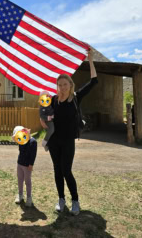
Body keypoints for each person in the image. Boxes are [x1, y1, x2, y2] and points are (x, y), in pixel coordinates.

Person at [40, 49, 98, 215]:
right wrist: (42, 121)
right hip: (54, 141)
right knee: (57, 170)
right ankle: (61, 199)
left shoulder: (76, 97)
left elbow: (94, 81)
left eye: (65, 84)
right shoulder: (52, 100)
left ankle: (75, 200)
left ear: (70, 85)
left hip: (67, 141)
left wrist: (91, 60)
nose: (63, 87)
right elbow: (43, 115)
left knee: (66, 170)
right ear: (57, 86)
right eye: (60, 85)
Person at [12, 126, 37, 207]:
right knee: (20, 180)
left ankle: (29, 198)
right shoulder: (21, 140)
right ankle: (20, 195)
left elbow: (33, 155)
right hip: (20, 164)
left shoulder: (33, 142)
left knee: (27, 181)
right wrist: (16, 137)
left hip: (27, 166)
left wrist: (31, 164)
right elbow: (16, 140)